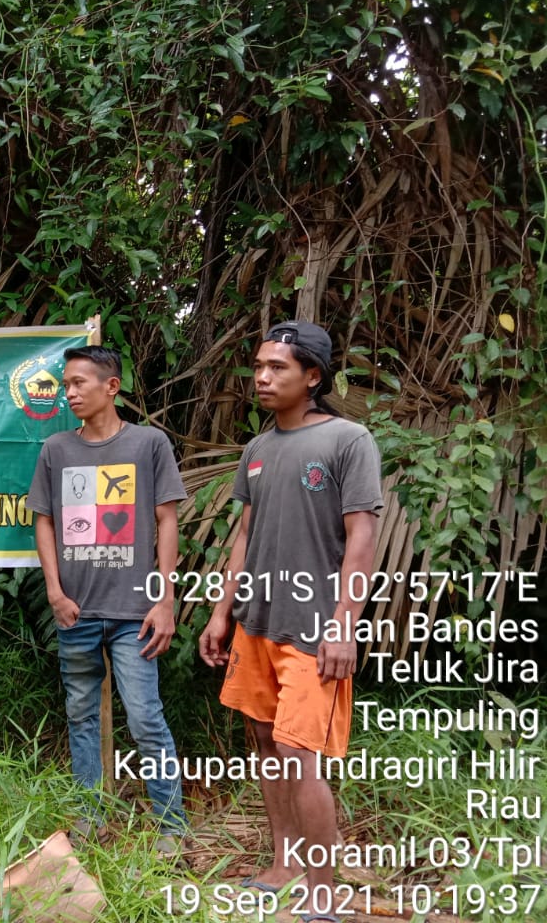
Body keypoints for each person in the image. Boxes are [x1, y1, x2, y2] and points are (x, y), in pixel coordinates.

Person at [198, 321, 381, 919]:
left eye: (277, 367)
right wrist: (221, 613)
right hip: (256, 623)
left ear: (313, 376)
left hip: (314, 628)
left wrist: (344, 626)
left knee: (299, 752)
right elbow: (243, 538)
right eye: (258, 366)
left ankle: (323, 892)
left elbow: (362, 540)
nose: (262, 377)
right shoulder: (257, 450)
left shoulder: (349, 440)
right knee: (264, 742)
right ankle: (284, 864)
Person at [27, 345, 189, 852]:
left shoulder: (149, 444)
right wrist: (55, 592)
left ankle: (171, 826)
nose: (70, 394)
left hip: (135, 613)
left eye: (79, 383)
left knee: (145, 718)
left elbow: (167, 520)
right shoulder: (56, 449)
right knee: (80, 717)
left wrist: (165, 599)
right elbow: (44, 521)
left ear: (111, 386)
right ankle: (90, 816)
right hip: (75, 612)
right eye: (66, 385)